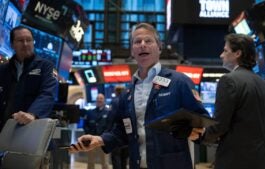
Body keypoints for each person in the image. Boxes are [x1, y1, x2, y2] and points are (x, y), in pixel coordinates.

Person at [69, 22, 209, 169]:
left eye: (148, 41)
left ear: (159, 47)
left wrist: (197, 132)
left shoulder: (179, 82)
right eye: (137, 42)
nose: (142, 45)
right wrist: (99, 139)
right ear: (132, 51)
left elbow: (202, 123)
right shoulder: (128, 93)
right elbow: (123, 131)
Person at [199, 33, 265, 169]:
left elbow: (220, 125)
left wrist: (201, 136)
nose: (221, 55)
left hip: (235, 161)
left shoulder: (228, 80)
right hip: (262, 161)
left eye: (225, 50)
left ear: (238, 53)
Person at [0, 26, 57, 168]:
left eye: (29, 40)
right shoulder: (3, 70)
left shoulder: (46, 66)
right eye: (20, 40)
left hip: (34, 135)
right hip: (6, 133)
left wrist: (33, 113)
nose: (25, 44)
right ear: (12, 44)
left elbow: (48, 94)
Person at [83, 93, 110, 169]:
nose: (99, 100)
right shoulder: (90, 112)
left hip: (103, 141)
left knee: (105, 162)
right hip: (91, 141)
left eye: (101, 98)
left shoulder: (108, 112)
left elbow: (110, 127)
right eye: (98, 98)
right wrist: (89, 136)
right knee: (90, 161)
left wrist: (104, 137)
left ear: (104, 100)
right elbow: (85, 126)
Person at [109, 85, 129, 169]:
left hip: (116, 133)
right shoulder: (128, 101)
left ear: (116, 92)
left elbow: (111, 118)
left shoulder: (114, 102)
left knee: (116, 157)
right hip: (127, 133)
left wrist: (108, 131)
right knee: (124, 158)